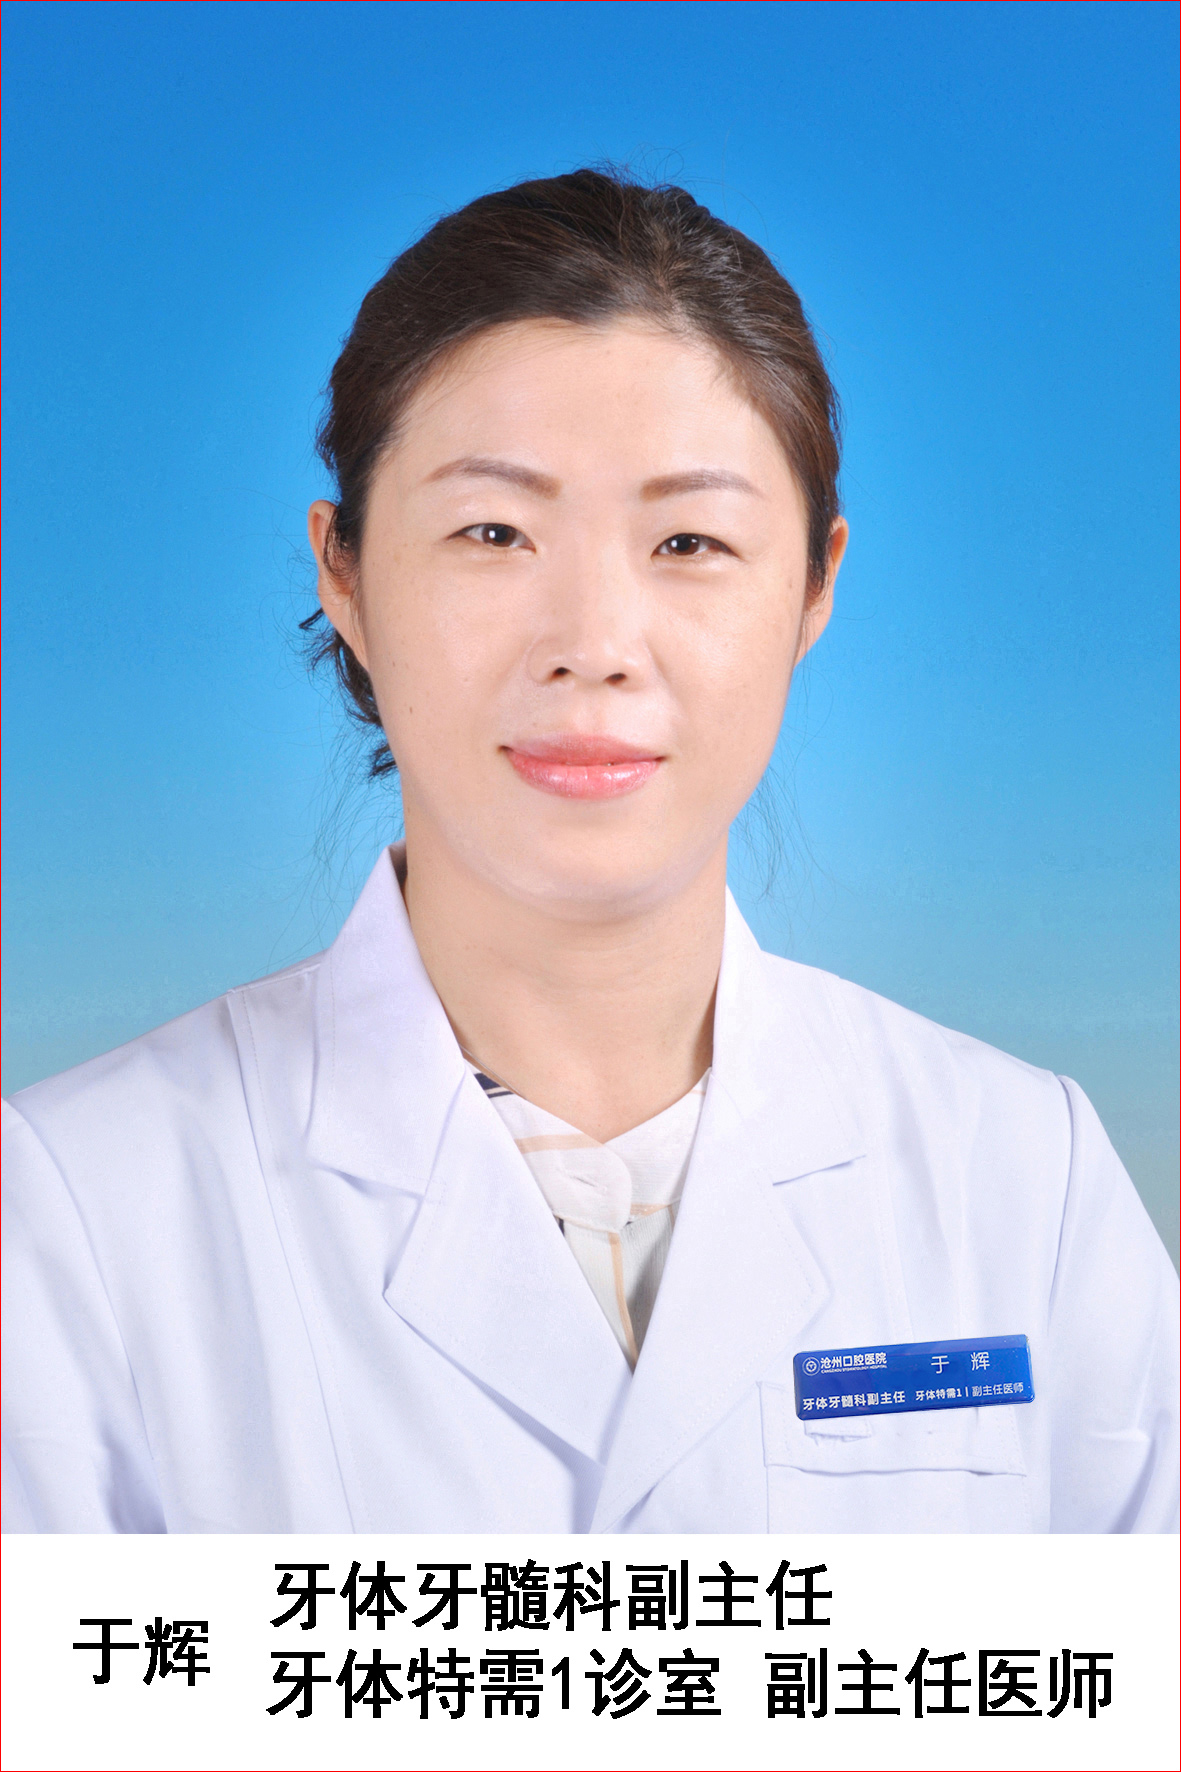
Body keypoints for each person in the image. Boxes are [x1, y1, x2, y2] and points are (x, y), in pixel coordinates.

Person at [3, 169, 1176, 1536]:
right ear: (345, 573)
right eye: (493, 532)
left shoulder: (1022, 1175)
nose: (595, 644)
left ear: (815, 586)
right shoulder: (75, 1207)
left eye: (689, 540)